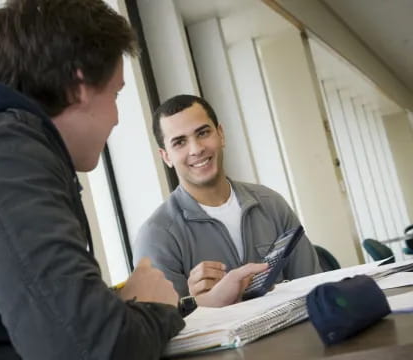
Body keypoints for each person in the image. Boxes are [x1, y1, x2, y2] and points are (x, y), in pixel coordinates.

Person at [0, 0, 184, 359]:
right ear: (79, 84)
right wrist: (154, 308)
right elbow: (85, 348)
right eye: (115, 94)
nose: (115, 118)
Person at [133, 94, 322, 307]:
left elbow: (314, 288)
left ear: (220, 134)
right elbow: (165, 331)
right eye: (180, 142)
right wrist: (200, 303)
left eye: (203, 133)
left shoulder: (272, 204)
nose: (196, 149)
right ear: (166, 156)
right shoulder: (156, 237)